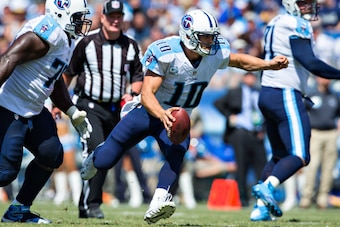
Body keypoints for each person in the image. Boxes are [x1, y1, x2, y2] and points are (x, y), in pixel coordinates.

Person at [81, 9, 288, 224]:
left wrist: (267, 64)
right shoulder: (165, 51)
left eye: (211, 36)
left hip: (180, 115)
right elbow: (146, 94)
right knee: (106, 160)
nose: (210, 41)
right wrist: (162, 114)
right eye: (204, 36)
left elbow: (239, 61)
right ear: (188, 35)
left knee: (178, 151)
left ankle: (158, 201)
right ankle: (95, 156)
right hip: (150, 111)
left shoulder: (216, 51)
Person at [0, 0, 92, 223]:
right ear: (61, 12)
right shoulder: (49, 32)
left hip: (33, 108)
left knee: (51, 153)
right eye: (77, 16)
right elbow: (8, 58)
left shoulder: (65, 39)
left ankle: (19, 210)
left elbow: (54, 75)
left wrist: (70, 110)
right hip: (9, 104)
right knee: (5, 173)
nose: (81, 22)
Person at [249, 0, 340, 222]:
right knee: (300, 154)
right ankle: (267, 187)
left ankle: (260, 208)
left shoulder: (275, 22)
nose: (310, 7)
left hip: (268, 92)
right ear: (292, 4)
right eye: (304, 3)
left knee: (279, 155)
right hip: (284, 93)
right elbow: (309, 61)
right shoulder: (296, 23)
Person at [62, 0, 148, 219]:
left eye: (119, 16)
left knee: (106, 157)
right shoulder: (87, 42)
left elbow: (138, 75)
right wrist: (59, 103)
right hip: (89, 105)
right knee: (97, 150)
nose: (115, 20)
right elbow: (69, 73)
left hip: (115, 109)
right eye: (111, 16)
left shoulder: (130, 45)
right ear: (103, 17)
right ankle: (91, 204)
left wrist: (132, 92)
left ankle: (86, 204)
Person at [214, 71, 268, 207]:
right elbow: (218, 103)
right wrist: (229, 116)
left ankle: (262, 198)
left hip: (256, 133)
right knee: (241, 167)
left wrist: (264, 129)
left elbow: (267, 113)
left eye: (252, 76)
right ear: (244, 77)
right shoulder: (235, 92)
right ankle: (243, 199)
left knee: (261, 167)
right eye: (248, 76)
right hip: (240, 132)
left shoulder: (259, 93)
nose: (250, 79)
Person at [299, 77, 340, 209]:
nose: (325, 79)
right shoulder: (311, 95)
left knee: (328, 168)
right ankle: (306, 197)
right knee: (312, 166)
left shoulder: (334, 96)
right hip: (315, 133)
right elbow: (302, 112)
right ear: (317, 78)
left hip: (331, 134)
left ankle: (323, 198)